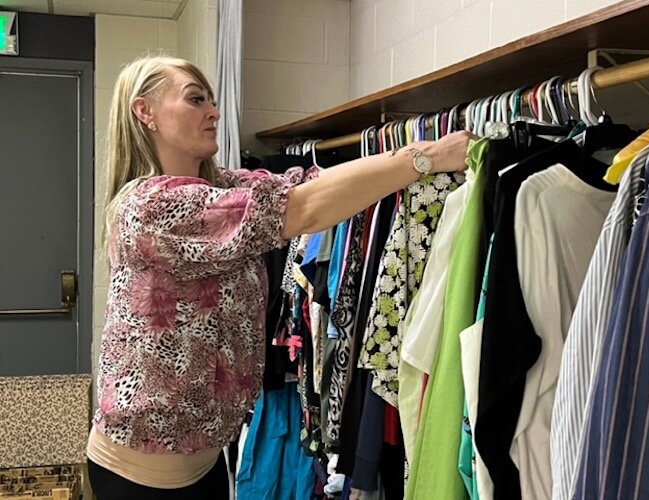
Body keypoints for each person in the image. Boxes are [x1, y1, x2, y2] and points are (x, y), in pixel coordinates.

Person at [86, 55, 473, 499]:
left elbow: (308, 185)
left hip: (203, 463)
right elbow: (302, 210)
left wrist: (398, 159)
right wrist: (424, 157)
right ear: (145, 112)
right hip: (139, 477)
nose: (213, 111)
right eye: (195, 100)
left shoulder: (221, 186)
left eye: (212, 100)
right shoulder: (152, 207)